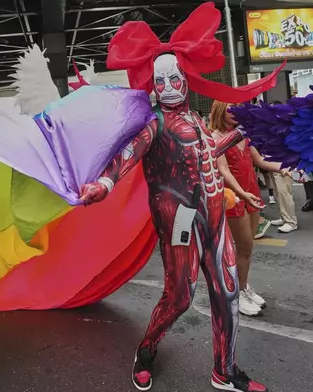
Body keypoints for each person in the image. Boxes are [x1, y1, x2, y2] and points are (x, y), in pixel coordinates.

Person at [79, 4, 282, 391]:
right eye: (162, 80)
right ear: (153, 85)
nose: (170, 86)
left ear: (186, 80)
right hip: (180, 220)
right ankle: (146, 350)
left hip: (214, 214)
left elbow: (209, 150)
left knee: (227, 292)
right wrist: (103, 185)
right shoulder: (152, 123)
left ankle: (225, 371)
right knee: (179, 296)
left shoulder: (195, 121)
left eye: (175, 78)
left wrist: (253, 130)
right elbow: (128, 154)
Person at [210, 101, 287, 317]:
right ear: (220, 110)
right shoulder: (215, 138)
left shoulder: (243, 134)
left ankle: (243, 287)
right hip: (234, 197)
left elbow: (260, 161)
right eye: (230, 108)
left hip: (251, 193)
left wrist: (285, 167)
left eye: (238, 108)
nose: (235, 112)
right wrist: (241, 194)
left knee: (248, 247)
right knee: (242, 246)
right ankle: (236, 295)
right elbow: (223, 170)